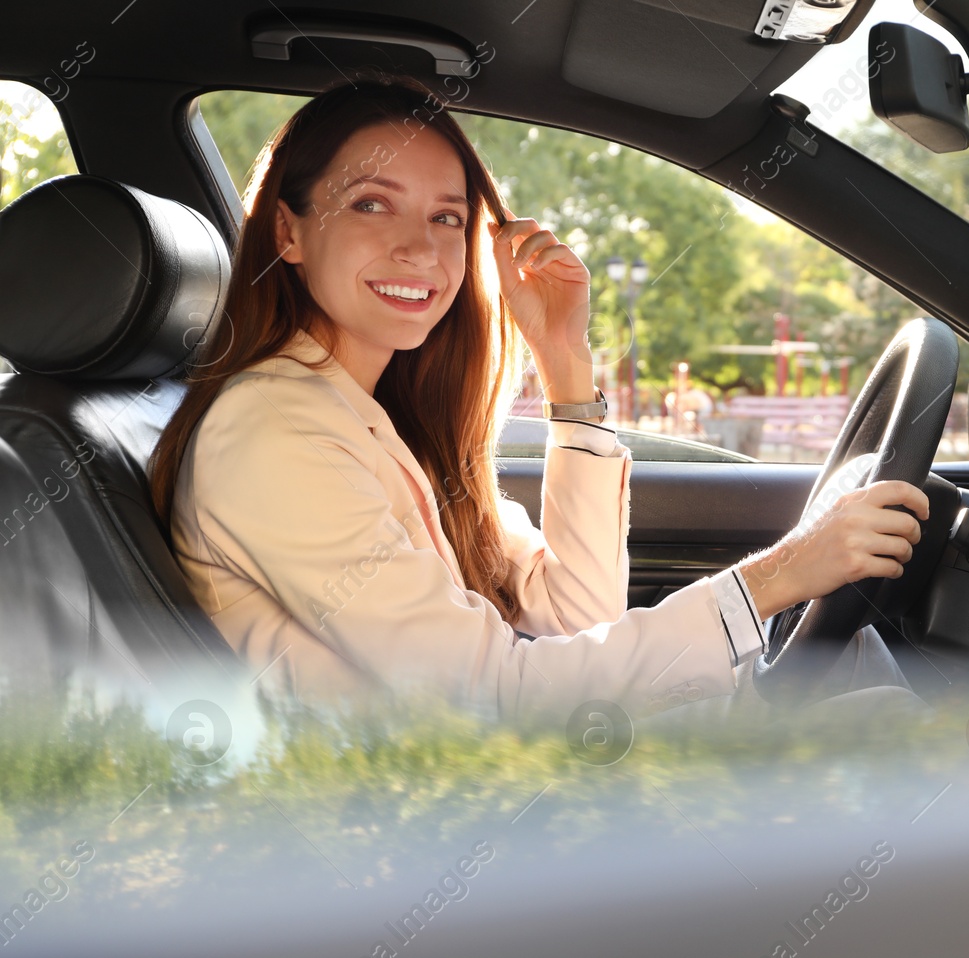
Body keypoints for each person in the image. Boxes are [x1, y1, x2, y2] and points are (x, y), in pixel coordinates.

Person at [148, 75, 929, 724]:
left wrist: (565, 369)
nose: (419, 247)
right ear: (288, 230)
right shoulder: (273, 434)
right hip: (420, 834)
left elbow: (579, 614)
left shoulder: (381, 418)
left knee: (851, 668)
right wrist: (779, 576)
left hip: (488, 780)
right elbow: (494, 696)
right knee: (874, 719)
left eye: (447, 217)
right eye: (371, 204)